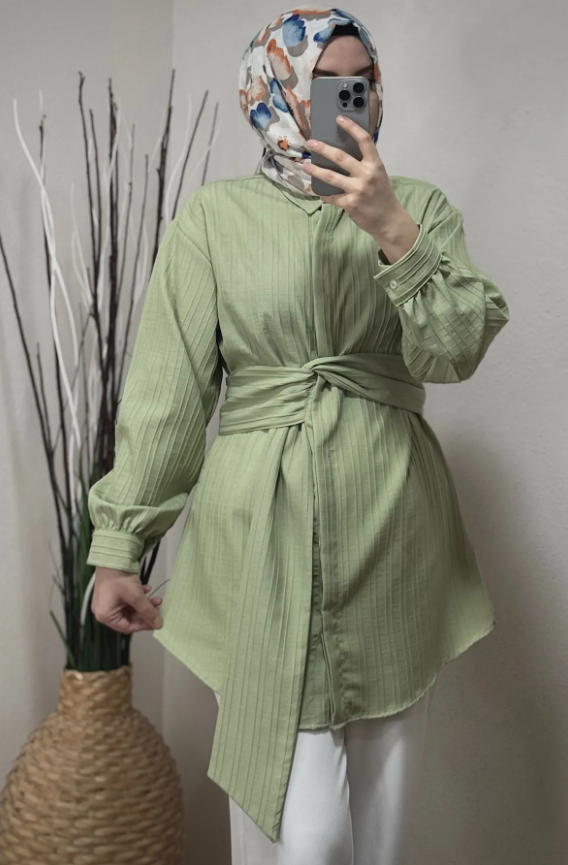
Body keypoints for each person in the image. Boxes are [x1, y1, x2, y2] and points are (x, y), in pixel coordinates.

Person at [87, 7, 510, 864]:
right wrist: (120, 543)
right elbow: (169, 393)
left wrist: (392, 229)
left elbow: (456, 350)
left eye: (362, 82)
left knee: (379, 842)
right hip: (257, 544)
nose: (351, 101)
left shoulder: (420, 207)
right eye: (324, 85)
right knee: (304, 840)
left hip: (394, 537)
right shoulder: (214, 219)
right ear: (273, 93)